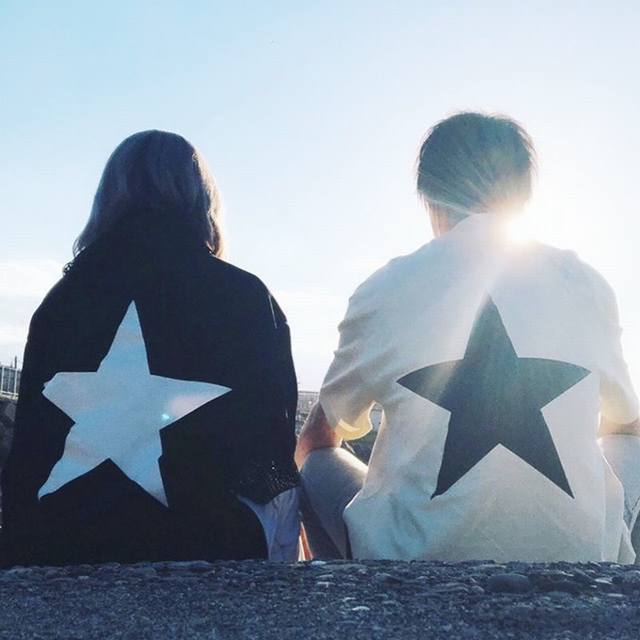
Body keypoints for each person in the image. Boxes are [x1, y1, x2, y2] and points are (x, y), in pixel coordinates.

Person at [297, 112, 640, 562]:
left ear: (430, 198)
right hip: (585, 561)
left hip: (413, 566)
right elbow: (626, 423)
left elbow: (321, 435)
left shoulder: (385, 288)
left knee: (315, 463)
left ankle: (345, 594)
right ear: (523, 196)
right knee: (630, 445)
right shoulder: (586, 283)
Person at [1, 130, 300, 566]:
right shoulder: (246, 296)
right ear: (203, 201)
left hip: (58, 545)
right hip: (207, 545)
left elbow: (31, 450)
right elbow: (271, 450)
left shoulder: (62, 302)